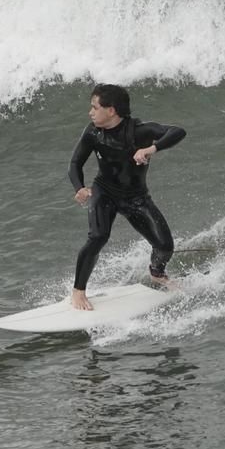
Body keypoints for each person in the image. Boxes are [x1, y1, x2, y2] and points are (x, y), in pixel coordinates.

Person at [67, 84, 186, 310]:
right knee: (98, 236)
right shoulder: (93, 132)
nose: (90, 112)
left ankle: (157, 274)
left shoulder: (139, 131)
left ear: (111, 110)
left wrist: (151, 149)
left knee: (165, 246)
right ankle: (78, 291)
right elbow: (75, 163)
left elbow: (178, 131)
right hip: (105, 192)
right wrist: (79, 188)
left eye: (94, 107)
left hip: (136, 198)